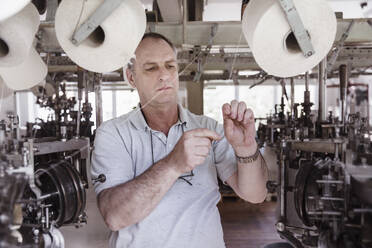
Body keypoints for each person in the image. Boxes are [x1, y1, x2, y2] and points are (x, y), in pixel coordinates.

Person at [91, 32, 268, 248]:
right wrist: (173, 164)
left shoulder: (208, 128)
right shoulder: (113, 134)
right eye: (151, 68)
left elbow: (256, 194)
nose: (164, 75)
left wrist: (246, 148)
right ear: (131, 77)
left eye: (170, 66)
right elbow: (115, 216)